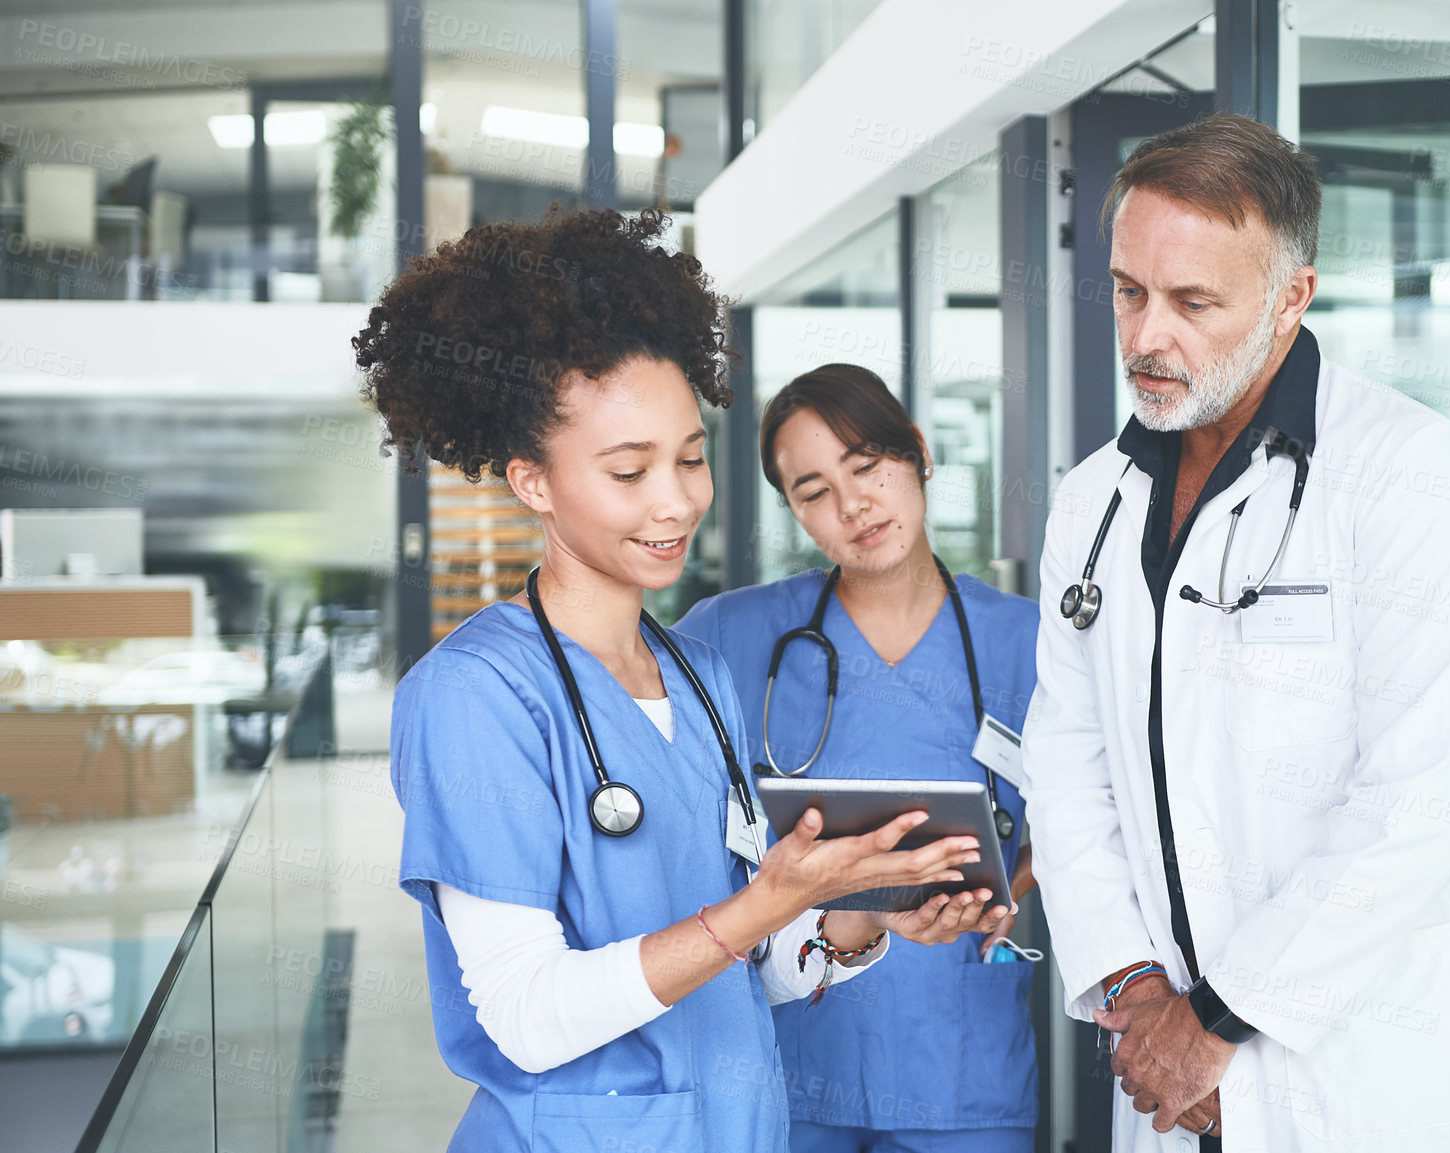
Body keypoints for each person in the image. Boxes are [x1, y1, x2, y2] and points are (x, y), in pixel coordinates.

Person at [358, 208, 1002, 1153]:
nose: (676, 501)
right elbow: (528, 1016)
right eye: (629, 472)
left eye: (691, 459)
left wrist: (859, 911)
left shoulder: (702, 678)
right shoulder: (475, 697)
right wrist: (765, 905)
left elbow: (754, 972)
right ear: (532, 480)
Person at [1022, 113, 1450, 1152]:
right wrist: (1132, 991)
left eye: (1192, 301)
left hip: (1352, 1083)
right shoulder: (1093, 501)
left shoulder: (1406, 475)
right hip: (1163, 1078)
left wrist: (1216, 1021)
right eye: (1127, 290)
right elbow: (1068, 764)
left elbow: (1425, 797)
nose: (1146, 335)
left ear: (1291, 296)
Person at [677, 363, 1042, 1153]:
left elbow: (1097, 809)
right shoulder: (730, 635)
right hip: (793, 1059)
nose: (853, 505)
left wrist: (1008, 889)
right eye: (813, 490)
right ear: (795, 513)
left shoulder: (1029, 641)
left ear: (917, 454)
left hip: (961, 1063)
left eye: (867, 465)